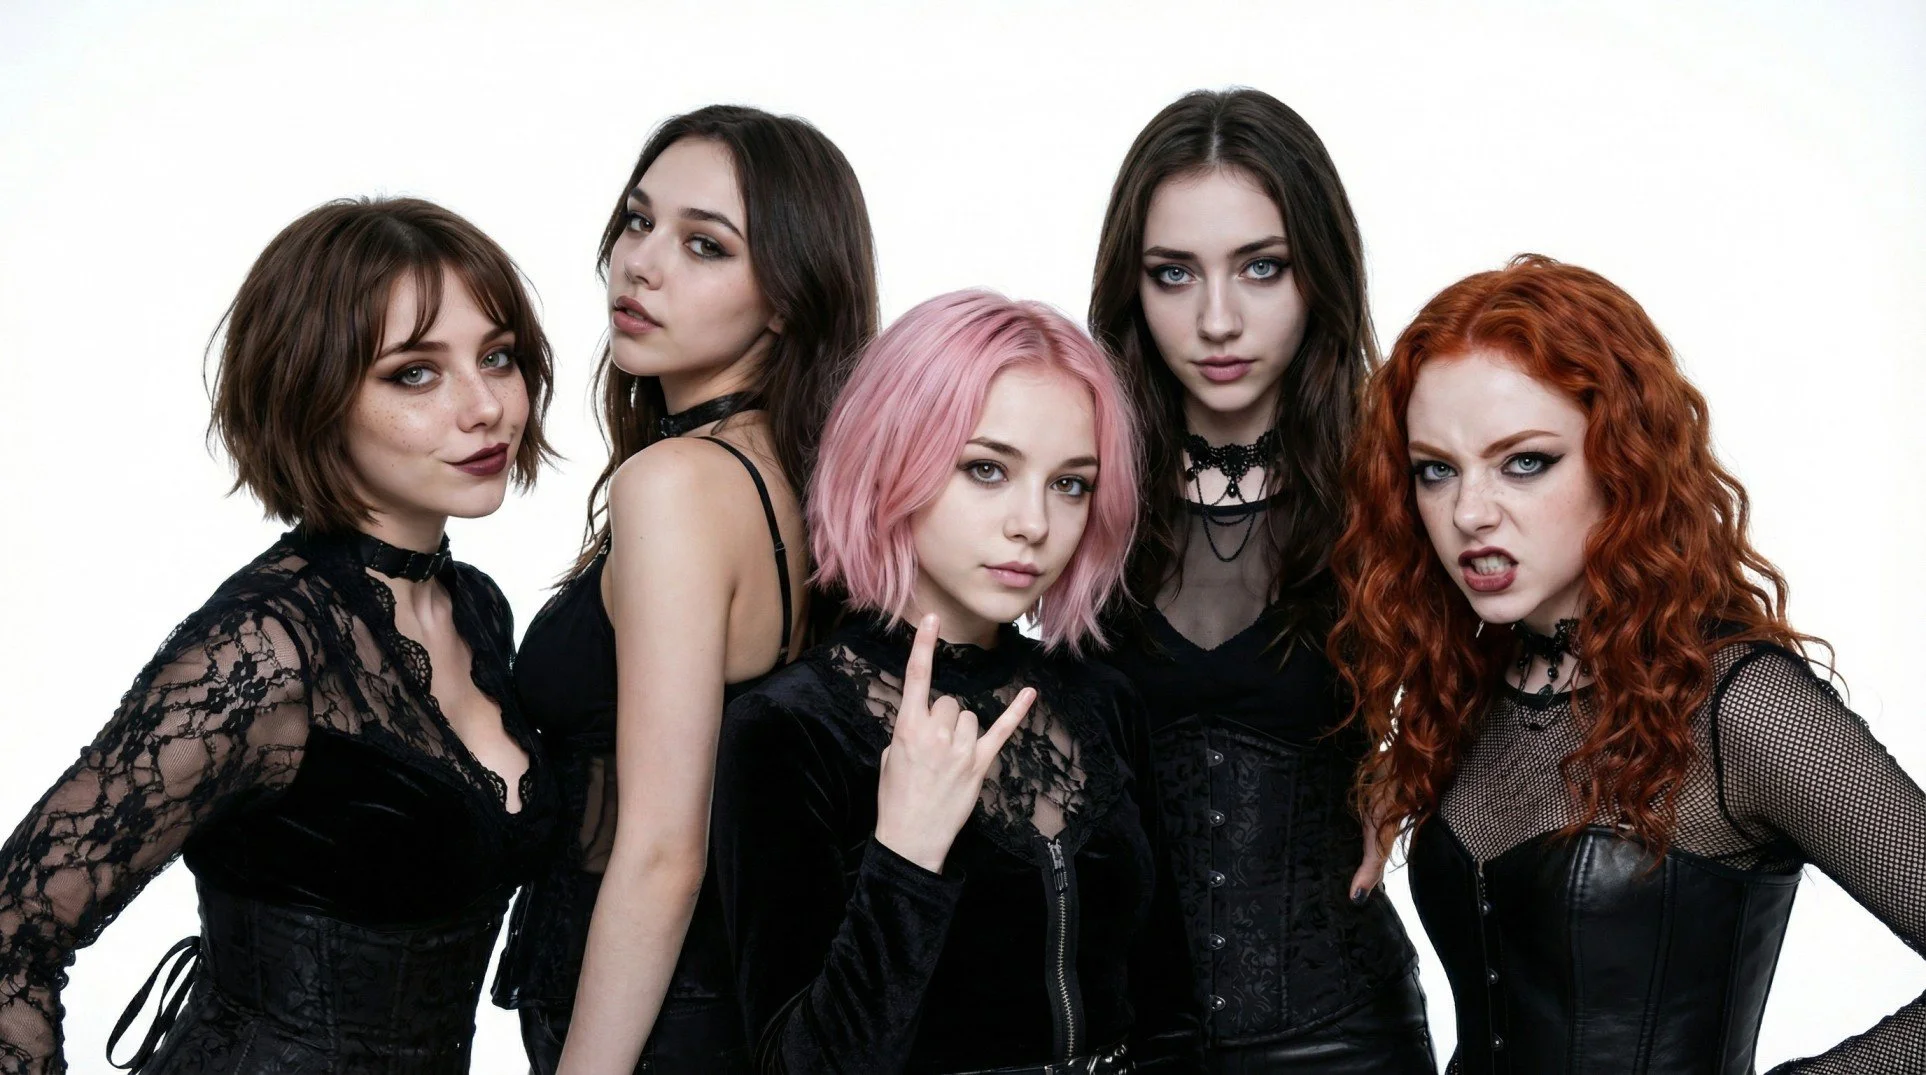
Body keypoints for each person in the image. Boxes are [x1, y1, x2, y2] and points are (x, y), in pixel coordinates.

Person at [0, 196, 559, 1073]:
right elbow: (16, 929)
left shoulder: (477, 608)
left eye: (497, 358)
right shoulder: (262, 650)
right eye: (415, 373)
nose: (484, 406)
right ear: (313, 394)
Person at [1330, 254, 1926, 1074]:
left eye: (1525, 461)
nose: (1469, 512)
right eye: (1436, 470)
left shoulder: (1735, 705)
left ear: (1623, 460)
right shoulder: (1466, 693)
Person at [713, 289, 1203, 1073]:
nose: (1034, 523)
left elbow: (1170, 1009)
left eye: (1069, 483)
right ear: (889, 458)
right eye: (987, 469)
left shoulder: (1102, 703)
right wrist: (904, 854)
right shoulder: (790, 728)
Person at [491, 105, 878, 1074]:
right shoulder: (804, 483)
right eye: (636, 220)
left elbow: (664, 850)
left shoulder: (675, 487)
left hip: (655, 1017)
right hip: (725, 999)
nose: (642, 264)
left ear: (788, 297)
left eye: (705, 245)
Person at [1087, 88, 1432, 1072]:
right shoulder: (1070, 485)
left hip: (1346, 1039)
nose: (1217, 319)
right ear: (1132, 285)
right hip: (1120, 1043)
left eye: (1261, 267)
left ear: (1317, 272)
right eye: (1172, 274)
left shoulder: (1398, 485)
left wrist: (1415, 756)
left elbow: (1527, 660)